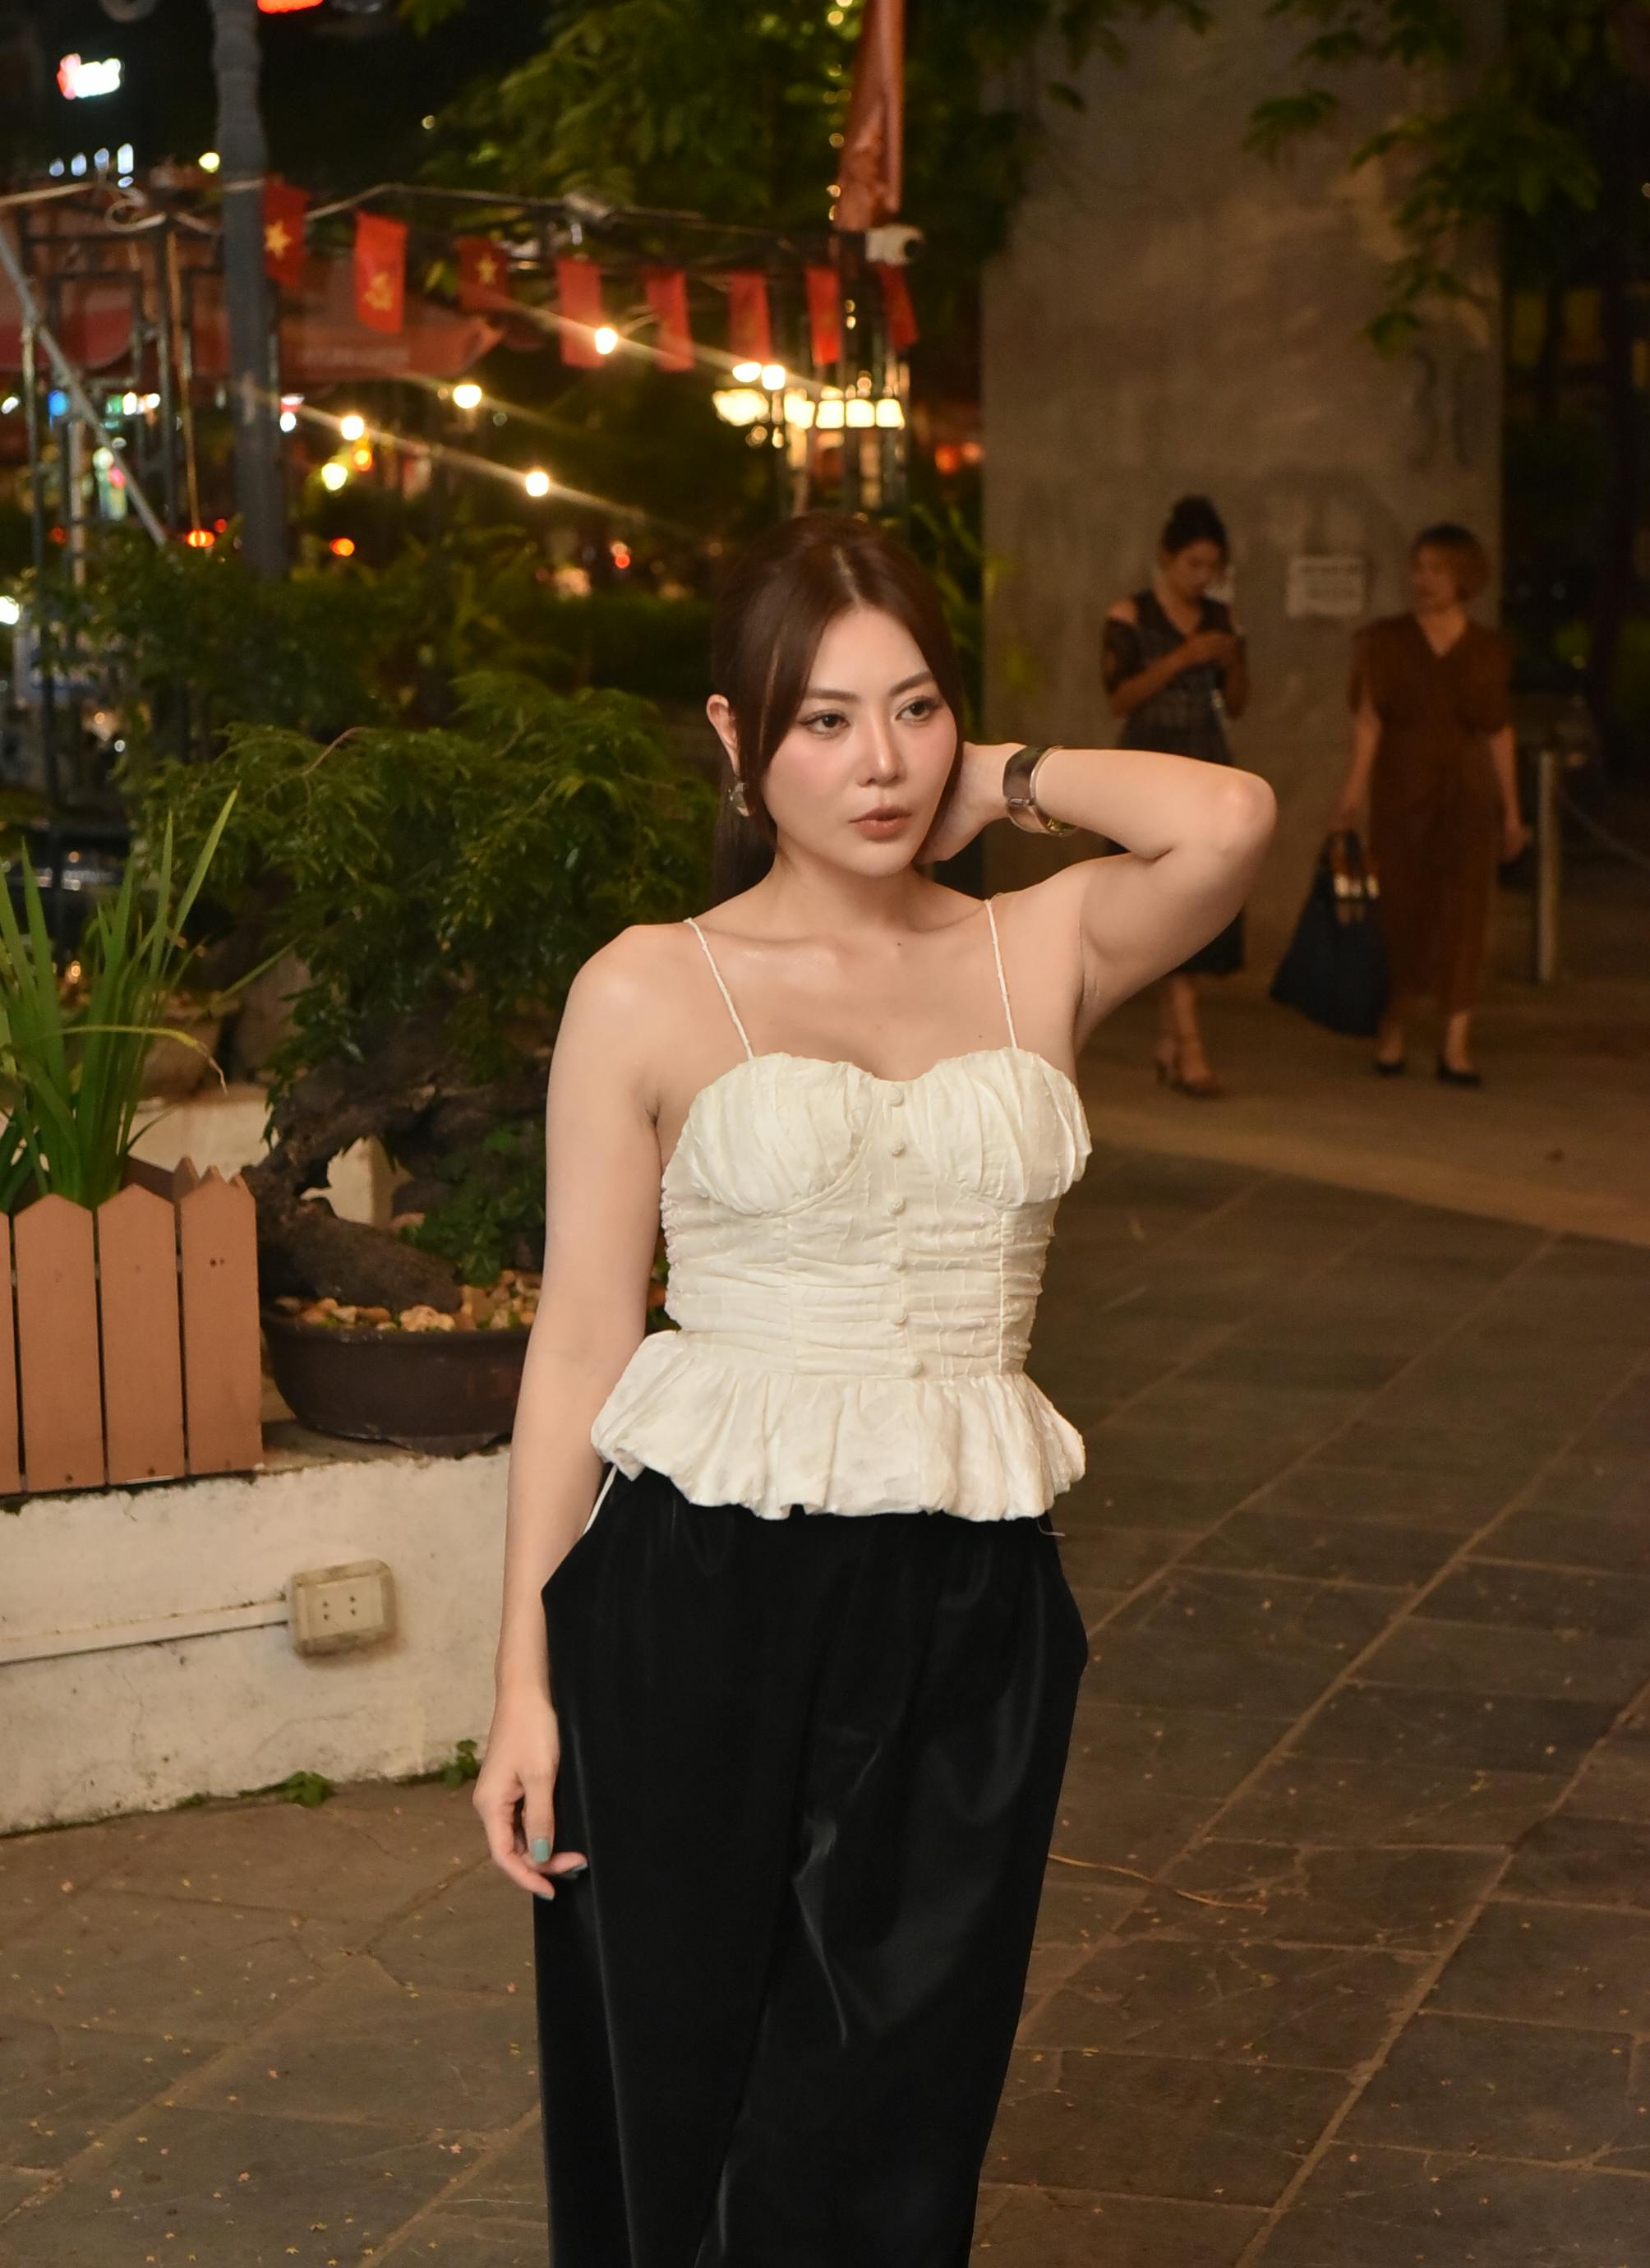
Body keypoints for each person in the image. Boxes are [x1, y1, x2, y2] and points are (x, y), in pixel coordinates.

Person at [473, 511, 1274, 2268]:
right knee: (671, 2086)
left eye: (910, 710)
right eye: (819, 719)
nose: (876, 761)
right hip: (692, 1589)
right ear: (732, 735)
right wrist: (524, 1681)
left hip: (966, 1596)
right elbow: (583, 1347)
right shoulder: (650, 986)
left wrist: (998, 775)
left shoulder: (1033, 945)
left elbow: (1225, 818)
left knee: (899, 2108)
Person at [1333, 522, 1528, 1086]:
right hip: (1403, 788)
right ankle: (1390, 1028)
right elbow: (1367, 725)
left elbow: (1498, 731)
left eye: (1438, 569)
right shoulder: (1386, 642)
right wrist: (1351, 794)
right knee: (1400, 909)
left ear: (1464, 575)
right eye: (1419, 567)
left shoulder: (1487, 649)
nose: (1424, 580)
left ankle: (1456, 1043)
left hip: (1466, 794)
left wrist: (1512, 810)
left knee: (1466, 912)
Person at [1102, 493, 1251, 1096]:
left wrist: (1231, 657)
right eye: (1193, 563)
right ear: (1166, 557)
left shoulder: (1221, 617)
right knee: (1165, 901)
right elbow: (1118, 697)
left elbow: (1239, 703)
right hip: (1146, 767)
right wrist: (1185, 657)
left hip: (1208, 762)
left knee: (1201, 903)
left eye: (1211, 566)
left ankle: (1169, 1040)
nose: (1202, 577)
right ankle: (1189, 1047)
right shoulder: (1130, 616)